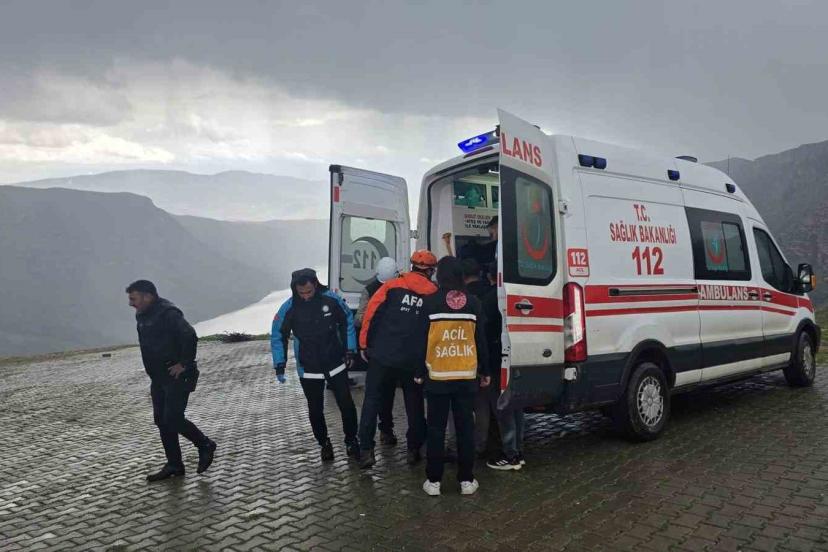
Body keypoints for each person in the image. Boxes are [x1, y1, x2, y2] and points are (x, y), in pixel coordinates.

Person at [127, 280, 216, 482]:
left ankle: (205, 445)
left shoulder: (168, 313)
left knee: (173, 418)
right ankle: (174, 464)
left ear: (148, 296)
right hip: (158, 377)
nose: (131, 304)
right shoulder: (142, 314)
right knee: (161, 420)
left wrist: (184, 363)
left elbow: (189, 336)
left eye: (134, 299)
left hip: (177, 376)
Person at [415, 256, 490, 496]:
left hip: (437, 376)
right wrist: (485, 370)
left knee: (436, 429)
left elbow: (420, 341)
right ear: (461, 276)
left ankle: (434, 481)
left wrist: (419, 372)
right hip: (465, 376)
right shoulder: (474, 303)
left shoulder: (429, 303)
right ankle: (466, 480)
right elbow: (481, 340)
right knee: (465, 428)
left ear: (439, 275)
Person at [357, 250, 438, 468]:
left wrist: (364, 344)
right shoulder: (433, 293)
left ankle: (366, 450)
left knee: (372, 400)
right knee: (414, 403)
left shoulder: (391, 286)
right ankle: (413, 449)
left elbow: (370, 315)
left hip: (382, 354)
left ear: (412, 266)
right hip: (413, 359)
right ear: (431, 271)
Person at [272, 268, 360, 461]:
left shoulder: (331, 299)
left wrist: (350, 349)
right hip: (308, 367)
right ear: (295, 289)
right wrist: (279, 362)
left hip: (335, 362)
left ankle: (352, 441)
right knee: (315, 410)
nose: (305, 296)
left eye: (309, 291)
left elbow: (347, 320)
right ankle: (324, 443)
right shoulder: (289, 308)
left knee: (346, 404)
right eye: (301, 293)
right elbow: (278, 334)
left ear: (315, 285)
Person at [354, 256, 400, 446]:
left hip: (375, 349)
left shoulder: (370, 289)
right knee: (386, 392)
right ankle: (385, 430)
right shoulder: (400, 288)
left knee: (375, 394)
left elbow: (359, 319)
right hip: (394, 349)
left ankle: (367, 443)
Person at [484, 262, 526, 471]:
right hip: (515, 354)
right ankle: (518, 450)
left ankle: (510, 455)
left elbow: (483, 331)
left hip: (495, 358)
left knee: (501, 407)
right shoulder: (516, 295)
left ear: (489, 276)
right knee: (516, 406)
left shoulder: (489, 299)